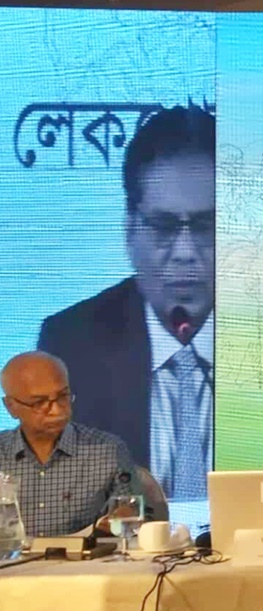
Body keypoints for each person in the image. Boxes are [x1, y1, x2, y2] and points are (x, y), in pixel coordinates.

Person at [38, 105, 216, 502]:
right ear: (129, 229)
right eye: (164, 226)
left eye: (206, 226)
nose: (185, 253)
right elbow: (52, 484)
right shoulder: (72, 343)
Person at [0, 352, 153, 537]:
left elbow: (137, 516)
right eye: (39, 402)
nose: (57, 410)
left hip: (84, 555)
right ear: (11, 406)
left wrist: (124, 519)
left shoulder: (107, 450)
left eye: (62, 396)